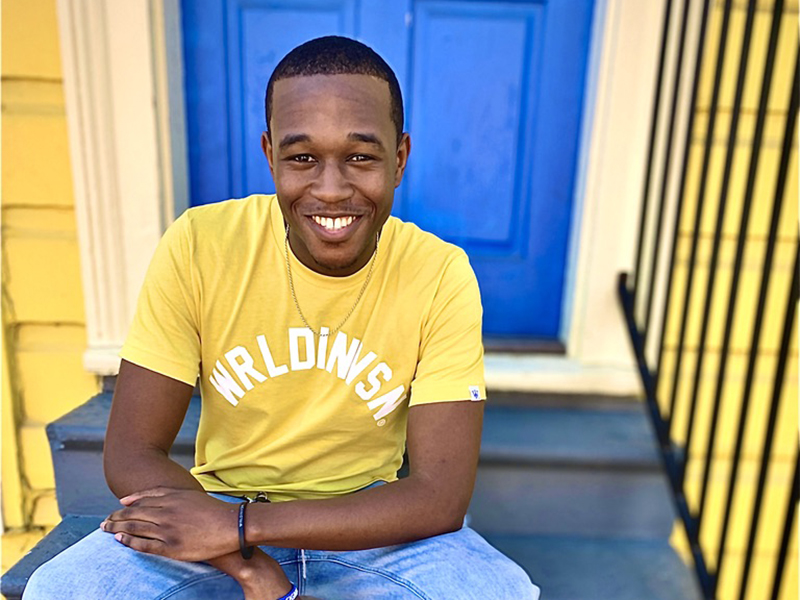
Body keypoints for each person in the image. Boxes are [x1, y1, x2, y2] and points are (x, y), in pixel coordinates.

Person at [23, 36, 540, 600]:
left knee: (497, 591)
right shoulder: (202, 244)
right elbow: (131, 453)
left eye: (361, 156)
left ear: (401, 158)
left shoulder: (439, 273)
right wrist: (247, 560)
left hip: (369, 522)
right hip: (216, 510)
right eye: (302, 158)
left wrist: (246, 528)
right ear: (270, 154)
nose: (331, 189)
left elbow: (439, 497)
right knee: (66, 589)